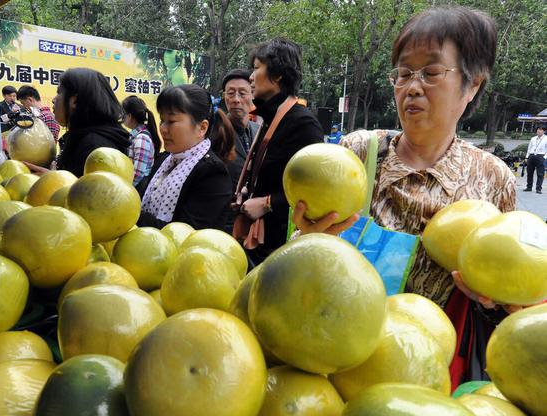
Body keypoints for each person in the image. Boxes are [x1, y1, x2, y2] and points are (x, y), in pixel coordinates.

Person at [292, 6, 518, 386]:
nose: (412, 86)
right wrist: (307, 239)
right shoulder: (357, 155)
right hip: (333, 359)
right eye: (403, 73)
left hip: (429, 375)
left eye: (431, 72)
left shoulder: (493, 179)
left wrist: (494, 298)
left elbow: (508, 302)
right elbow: (301, 260)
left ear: (473, 84)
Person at [234, 38, 323, 264]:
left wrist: (268, 203)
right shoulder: (269, 118)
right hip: (260, 241)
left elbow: (315, 191)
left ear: (278, 74)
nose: (251, 77)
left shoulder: (303, 124)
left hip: (281, 248)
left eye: (256, 68)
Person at [137, 84, 232, 230]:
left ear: (202, 128)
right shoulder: (164, 160)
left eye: (171, 121)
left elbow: (185, 234)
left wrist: (131, 214)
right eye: (162, 120)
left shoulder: (212, 173)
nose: (162, 128)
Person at [49, 68, 130, 177]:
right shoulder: (89, 138)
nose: (54, 100)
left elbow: (85, 192)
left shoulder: (95, 147)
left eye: (59, 92)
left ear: (74, 101)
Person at [221, 69, 260, 201]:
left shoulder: (260, 131)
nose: (236, 100)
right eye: (231, 93)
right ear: (224, 96)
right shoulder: (214, 133)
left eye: (242, 93)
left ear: (253, 95)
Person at [121, 96, 161, 186]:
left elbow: (138, 174)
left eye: (123, 115)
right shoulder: (136, 136)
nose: (122, 118)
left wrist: (125, 189)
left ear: (130, 116)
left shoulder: (141, 139)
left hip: (137, 191)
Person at [523, 126, 546, 194]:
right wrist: (527, 157)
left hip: (540, 156)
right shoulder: (533, 138)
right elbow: (529, 148)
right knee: (529, 172)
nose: (538, 131)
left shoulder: (546, 139)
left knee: (540, 174)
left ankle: (538, 188)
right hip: (531, 155)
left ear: (544, 131)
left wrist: (544, 157)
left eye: (540, 130)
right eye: (538, 130)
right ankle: (529, 187)